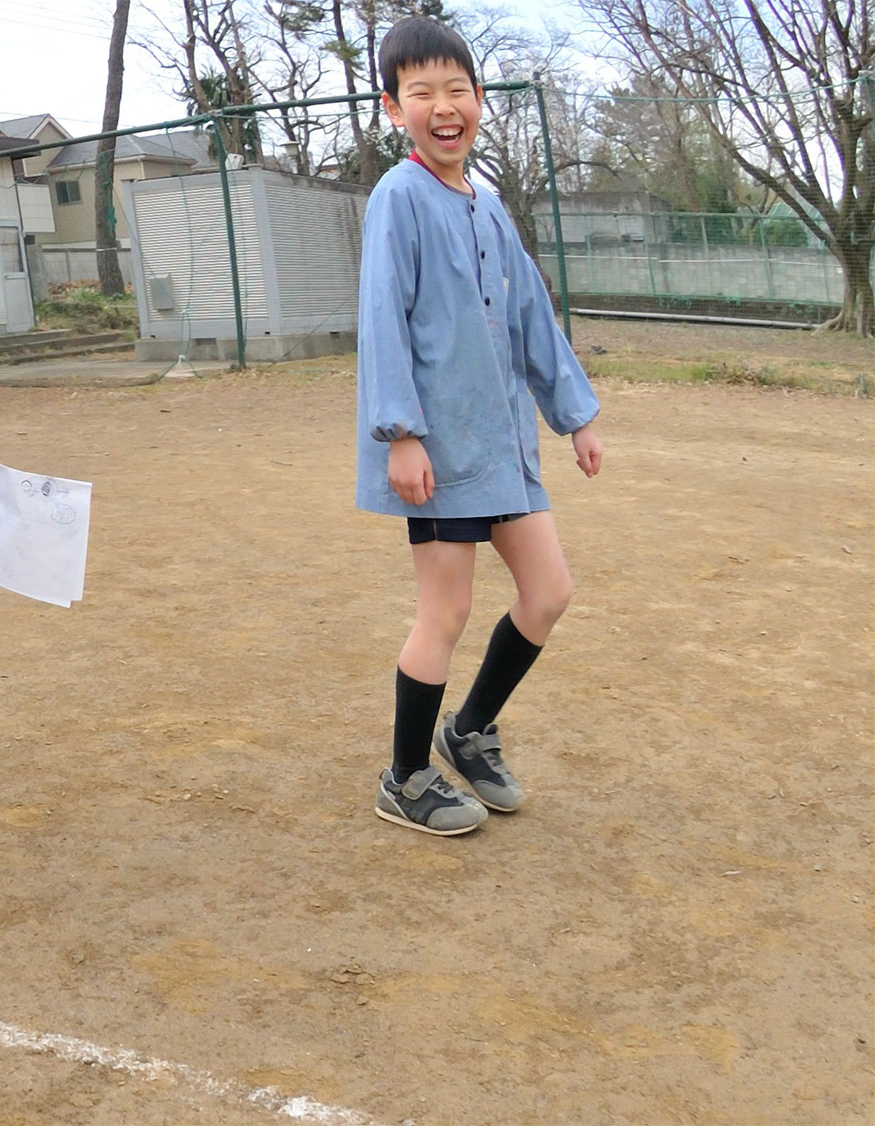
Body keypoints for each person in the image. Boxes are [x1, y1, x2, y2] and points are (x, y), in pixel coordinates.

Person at [356, 16, 605, 836]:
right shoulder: (399, 196)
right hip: (438, 448)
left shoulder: (488, 200)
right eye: (421, 92)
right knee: (447, 613)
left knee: (550, 591)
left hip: (504, 445)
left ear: (480, 99)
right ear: (394, 108)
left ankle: (467, 730)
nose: (443, 105)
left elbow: (531, 313)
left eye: (456, 89)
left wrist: (574, 417)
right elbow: (382, 319)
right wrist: (399, 432)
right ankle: (405, 775)